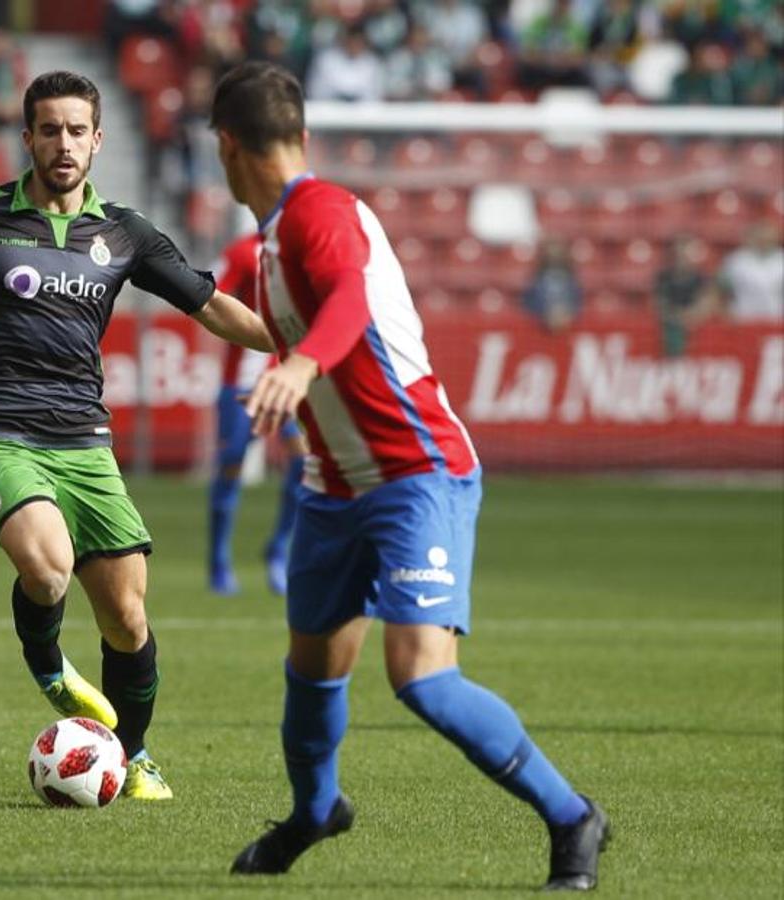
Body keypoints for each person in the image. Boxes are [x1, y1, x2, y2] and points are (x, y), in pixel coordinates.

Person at [208, 62, 608, 889]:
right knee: (312, 665)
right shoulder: (270, 244)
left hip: (415, 470)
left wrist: (303, 365)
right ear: (301, 135)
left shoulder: (320, 212)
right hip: (332, 485)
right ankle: (316, 812)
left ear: (225, 147)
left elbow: (349, 300)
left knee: (420, 675)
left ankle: (574, 817)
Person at [0, 71, 275, 801]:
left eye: (77, 130)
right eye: (49, 129)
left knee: (128, 616)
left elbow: (210, 306)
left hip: (86, 443)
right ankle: (48, 662)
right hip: (2, 432)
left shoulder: (126, 233)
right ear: (28, 138)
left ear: (98, 140)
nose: (64, 143)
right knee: (48, 570)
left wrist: (302, 345)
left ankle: (133, 755)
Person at [208, 232, 308, 597]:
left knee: (303, 462)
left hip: (285, 381)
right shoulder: (241, 251)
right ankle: (219, 560)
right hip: (240, 385)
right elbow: (209, 298)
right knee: (232, 463)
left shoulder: (302, 250)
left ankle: (279, 549)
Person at [720, 223, 784, 322]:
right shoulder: (735, 261)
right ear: (751, 238)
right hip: (743, 318)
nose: (764, 242)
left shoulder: (781, 259)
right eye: (760, 238)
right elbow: (721, 290)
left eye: (767, 239)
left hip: (777, 319)